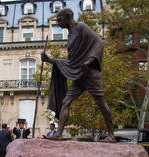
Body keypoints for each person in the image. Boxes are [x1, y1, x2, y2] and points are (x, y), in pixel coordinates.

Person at [41, 8, 115, 143]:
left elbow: (99, 43)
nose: (58, 22)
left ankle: (111, 135)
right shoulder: (70, 36)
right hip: (79, 75)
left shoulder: (81, 27)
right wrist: (50, 60)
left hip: (90, 74)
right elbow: (70, 62)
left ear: (68, 16)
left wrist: (89, 61)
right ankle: (58, 133)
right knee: (66, 101)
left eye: (59, 19)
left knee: (100, 102)